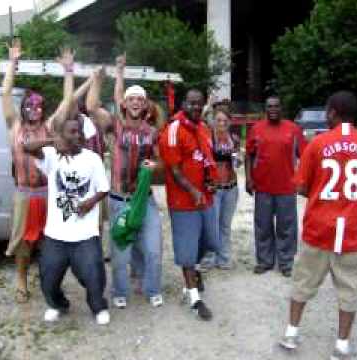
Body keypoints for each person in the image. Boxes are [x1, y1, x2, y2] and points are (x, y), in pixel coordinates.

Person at [279, 91, 357, 359]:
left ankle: (291, 333)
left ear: (332, 112)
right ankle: (342, 345)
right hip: (356, 231)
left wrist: (322, 195)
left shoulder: (318, 144)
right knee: (350, 289)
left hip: (319, 229)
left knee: (303, 282)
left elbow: (302, 186)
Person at [86, 54, 163, 309]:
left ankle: (152, 288)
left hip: (145, 200)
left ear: (145, 105)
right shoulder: (114, 127)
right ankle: (120, 290)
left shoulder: (152, 133)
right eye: (131, 98)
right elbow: (91, 106)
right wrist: (98, 80)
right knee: (121, 254)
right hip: (119, 200)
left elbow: (161, 163)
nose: (136, 102)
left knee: (153, 248)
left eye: (140, 99)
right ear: (125, 103)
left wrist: (155, 166)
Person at [2, 39, 75, 303]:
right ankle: (21, 278)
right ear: (23, 109)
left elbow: (67, 101)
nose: (35, 109)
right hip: (24, 195)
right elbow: (6, 94)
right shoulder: (15, 128)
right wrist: (13, 63)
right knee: (24, 242)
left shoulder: (50, 128)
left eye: (39, 105)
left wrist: (68, 71)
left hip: (48, 195)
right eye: (30, 106)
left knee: (50, 243)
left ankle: (50, 282)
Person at [24, 111, 110, 325]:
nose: (77, 135)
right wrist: (55, 142)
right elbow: (28, 147)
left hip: (85, 234)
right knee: (48, 279)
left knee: (93, 276)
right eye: (72, 132)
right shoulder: (52, 157)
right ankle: (57, 304)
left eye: (79, 131)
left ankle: (98, 307)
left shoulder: (92, 158)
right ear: (63, 135)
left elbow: (103, 189)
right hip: (56, 235)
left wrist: (90, 202)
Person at [158, 89, 220, 321]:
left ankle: (193, 271)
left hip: (205, 198)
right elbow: (173, 170)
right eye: (191, 103)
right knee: (186, 251)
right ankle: (195, 298)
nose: (195, 107)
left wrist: (210, 182)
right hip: (183, 201)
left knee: (211, 242)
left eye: (199, 104)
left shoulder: (203, 128)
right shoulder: (173, 130)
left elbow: (205, 160)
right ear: (184, 103)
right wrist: (193, 190)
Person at [245, 96, 307, 277]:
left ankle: (286, 263)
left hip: (286, 188)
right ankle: (265, 261)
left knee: (286, 227)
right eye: (269, 106)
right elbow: (249, 155)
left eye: (276, 106)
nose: (273, 109)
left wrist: (301, 180)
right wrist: (248, 178)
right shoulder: (256, 129)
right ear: (265, 109)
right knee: (263, 226)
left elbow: (304, 156)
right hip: (262, 187)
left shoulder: (293, 129)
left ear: (281, 108)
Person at [201, 109, 240, 270]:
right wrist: (208, 106)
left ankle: (223, 257)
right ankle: (210, 257)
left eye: (225, 120)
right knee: (212, 225)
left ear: (229, 122)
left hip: (231, 187)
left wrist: (238, 159)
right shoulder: (208, 138)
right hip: (215, 188)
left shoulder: (234, 139)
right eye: (219, 120)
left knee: (225, 225)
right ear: (214, 121)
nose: (222, 123)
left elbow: (237, 163)